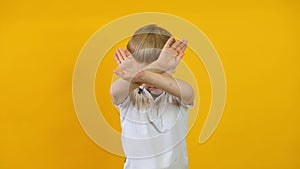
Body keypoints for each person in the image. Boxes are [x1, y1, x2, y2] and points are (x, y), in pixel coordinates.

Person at [110, 24, 194, 169]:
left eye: (160, 71)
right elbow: (115, 92)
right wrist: (159, 66)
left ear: (173, 67)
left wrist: (143, 74)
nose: (150, 79)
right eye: (147, 70)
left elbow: (188, 92)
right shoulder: (129, 96)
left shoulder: (178, 95)